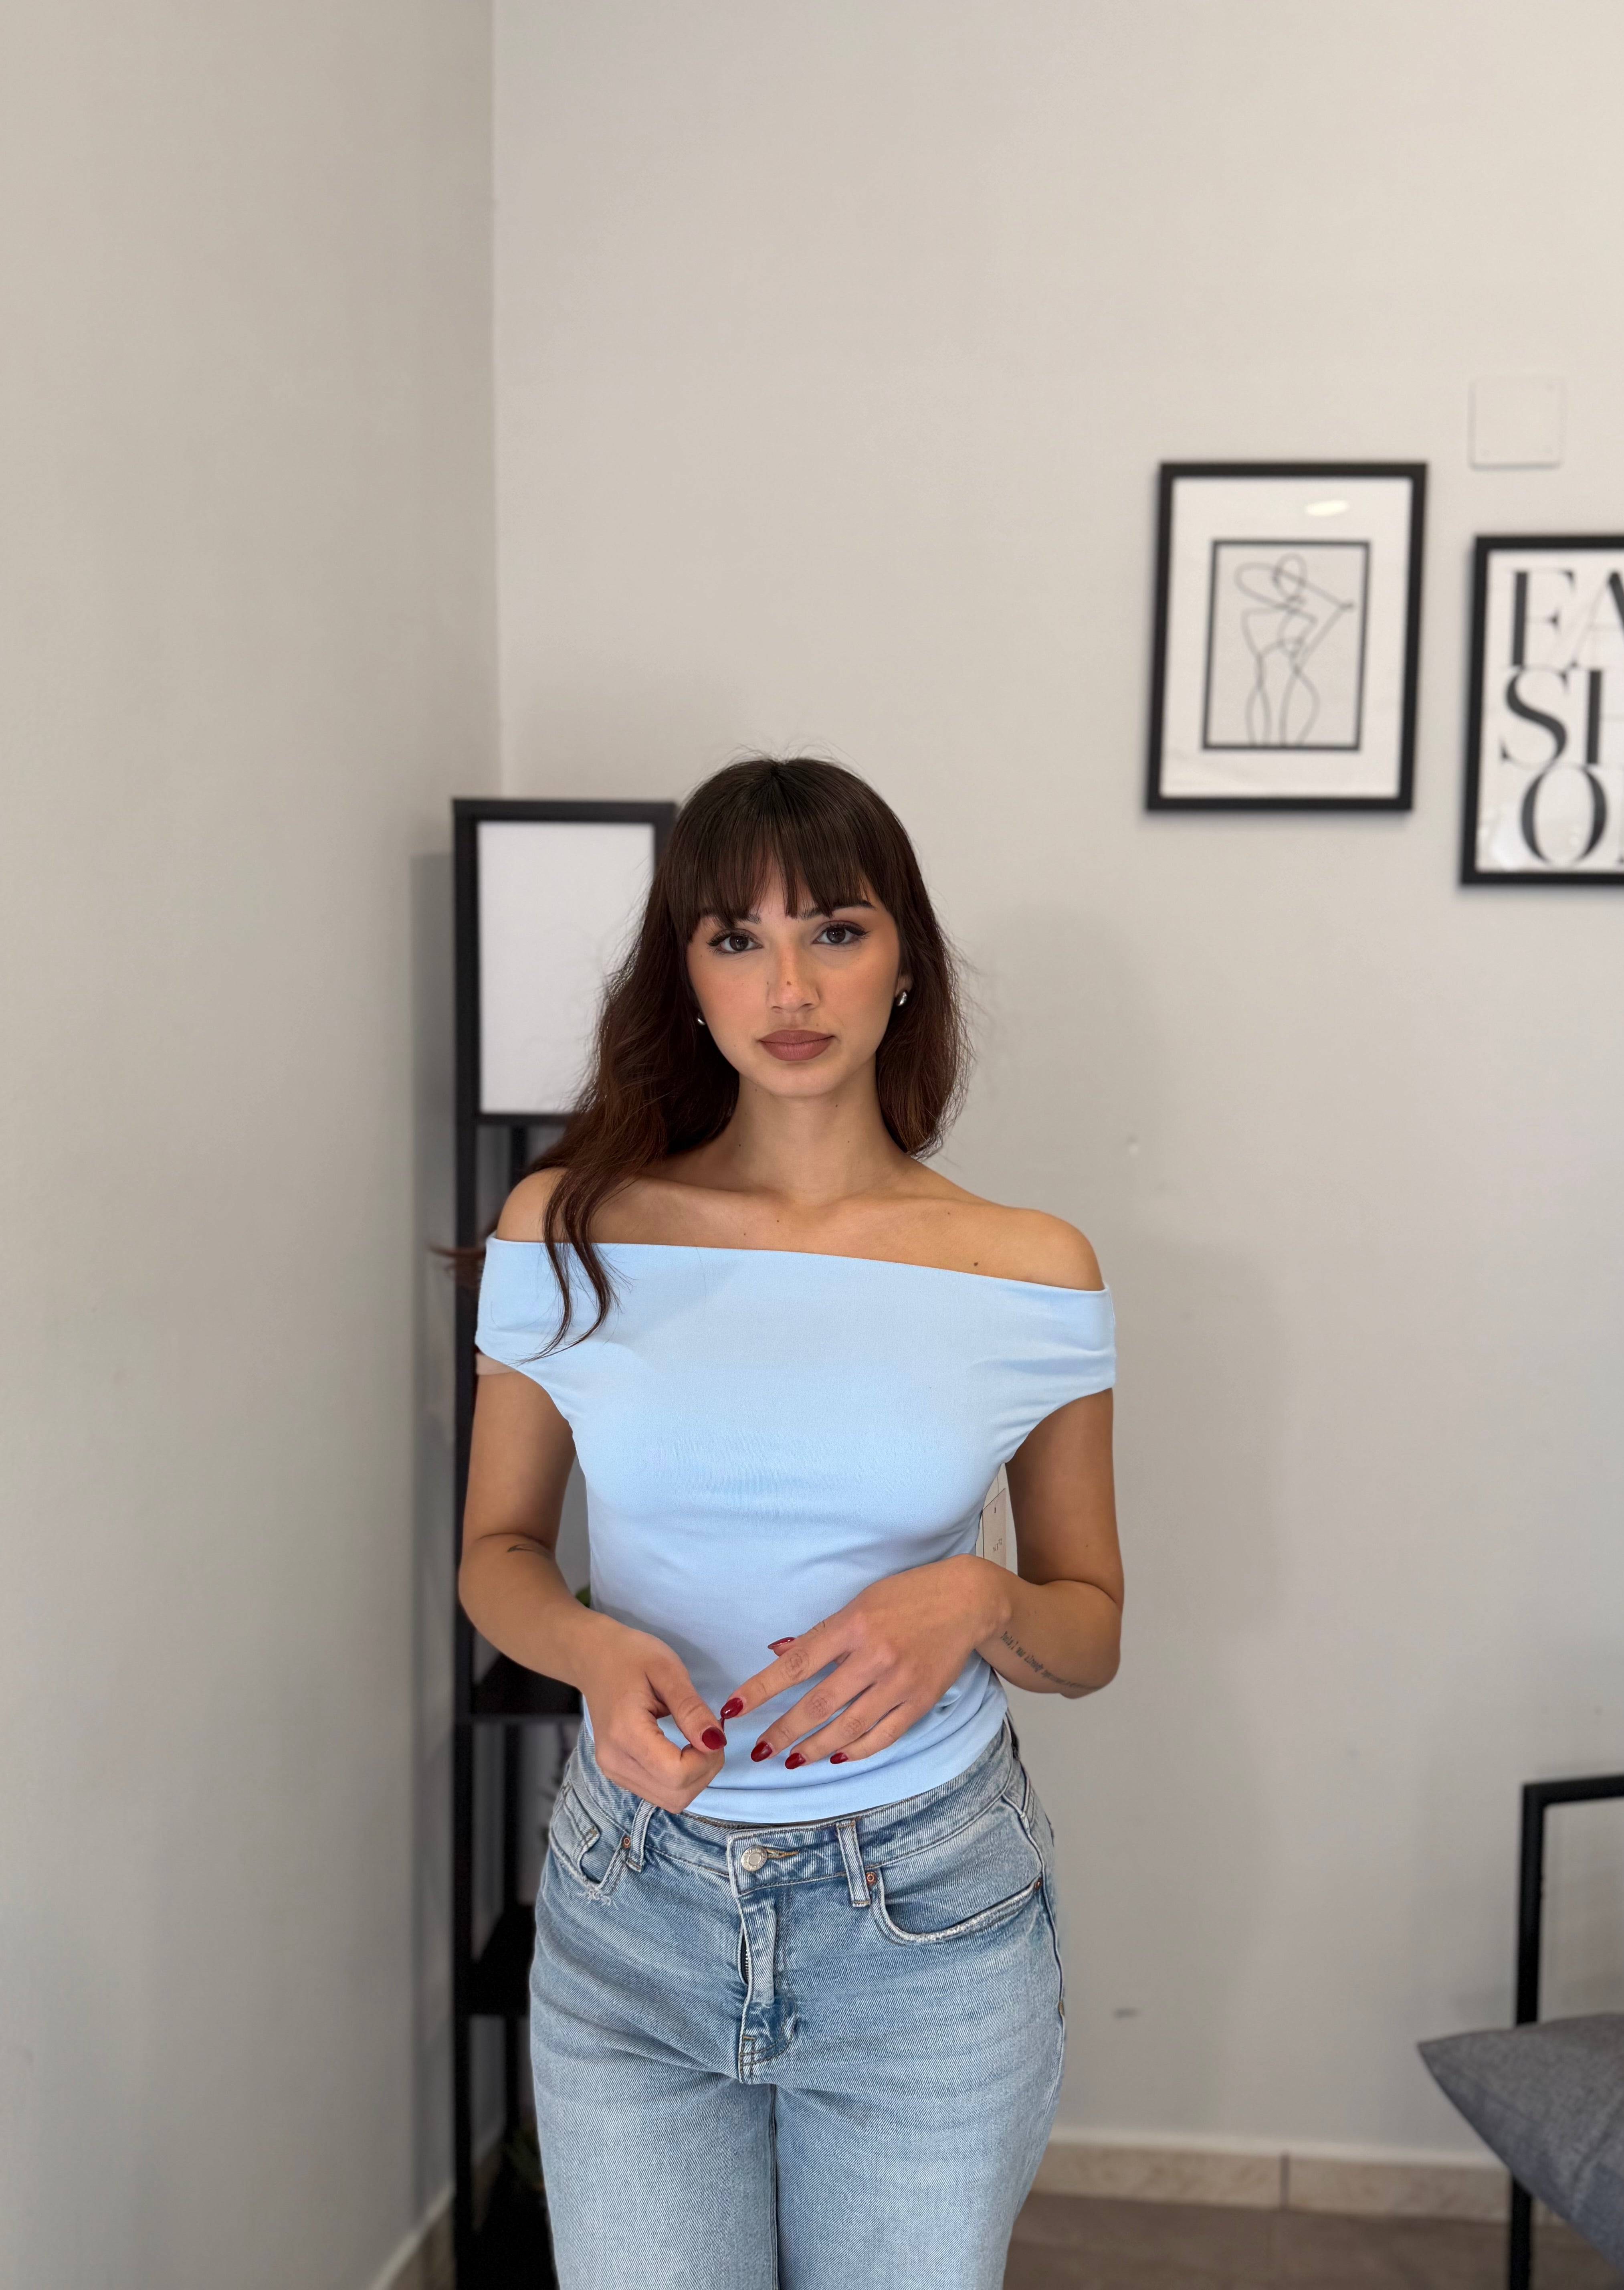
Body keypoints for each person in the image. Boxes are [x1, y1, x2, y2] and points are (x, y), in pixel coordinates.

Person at [459, 756, 1122, 2290]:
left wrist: (978, 1599)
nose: (790, 987)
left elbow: (1087, 1631)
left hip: (926, 1917)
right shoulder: (568, 1228)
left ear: (906, 960)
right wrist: (593, 1651)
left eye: (834, 929)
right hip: (634, 1899)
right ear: (684, 974)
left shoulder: (1029, 1269)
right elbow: (496, 1556)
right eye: (735, 939)